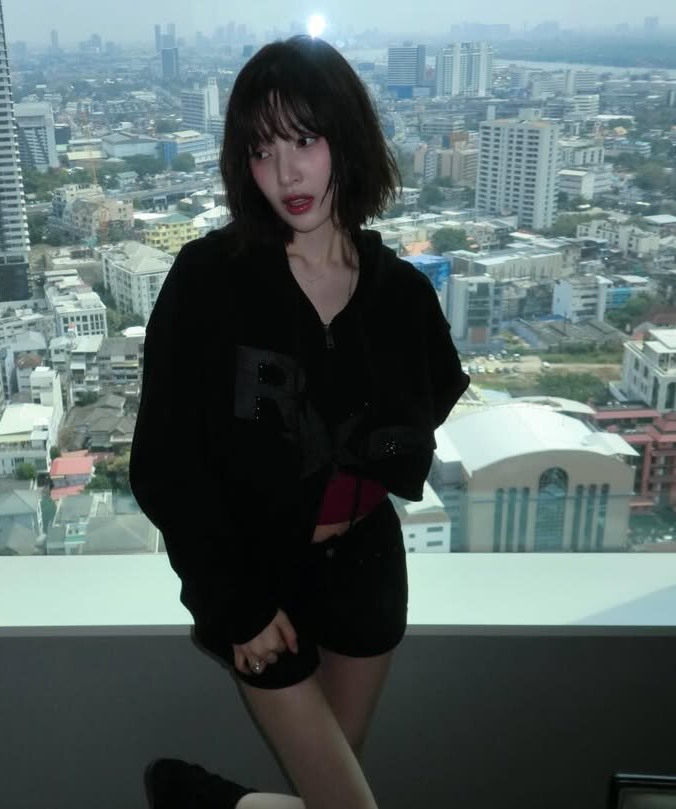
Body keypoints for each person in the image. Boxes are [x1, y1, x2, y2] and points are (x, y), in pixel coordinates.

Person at [130, 34, 469, 809]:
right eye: (261, 149)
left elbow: (423, 411)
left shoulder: (400, 295)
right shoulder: (208, 281)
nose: (285, 173)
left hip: (367, 569)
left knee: (331, 796)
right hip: (255, 574)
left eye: (305, 140)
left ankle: (212, 800)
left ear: (346, 139)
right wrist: (233, 603)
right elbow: (166, 466)